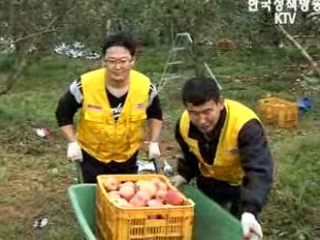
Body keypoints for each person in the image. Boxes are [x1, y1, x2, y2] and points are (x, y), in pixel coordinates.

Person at [170, 77, 273, 239]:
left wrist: (250, 210)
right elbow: (190, 153)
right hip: (209, 182)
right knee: (211, 227)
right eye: (194, 113)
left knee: (240, 230)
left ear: (220, 103)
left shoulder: (245, 125)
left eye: (207, 111)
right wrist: (184, 174)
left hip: (240, 185)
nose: (202, 120)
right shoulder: (183, 124)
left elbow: (258, 170)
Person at [55, 31, 163, 183]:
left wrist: (153, 142)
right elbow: (63, 113)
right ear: (104, 61)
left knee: (124, 197)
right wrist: (72, 142)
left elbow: (155, 114)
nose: (117, 67)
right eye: (112, 61)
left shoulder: (145, 87)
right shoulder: (84, 85)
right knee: (95, 198)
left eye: (123, 61)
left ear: (132, 61)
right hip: (92, 157)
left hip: (127, 157)